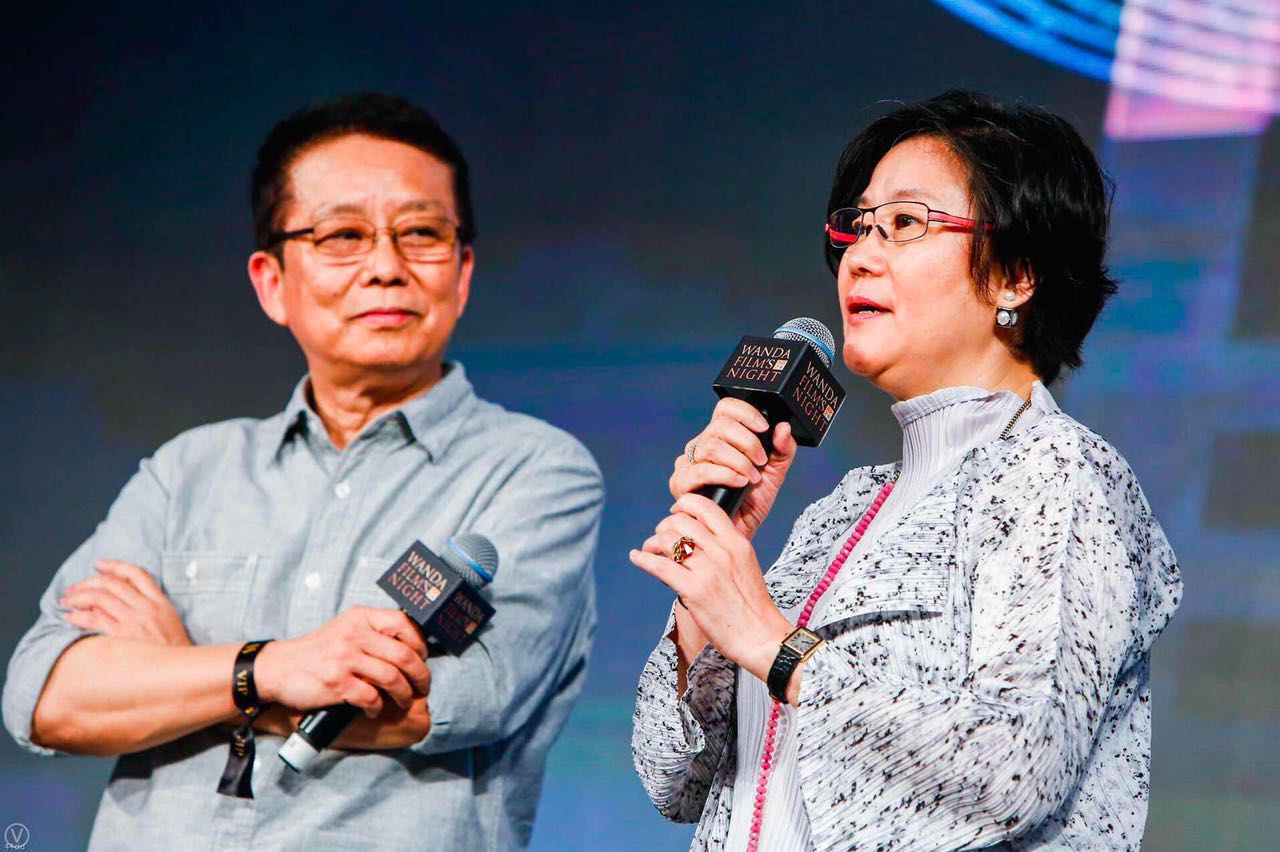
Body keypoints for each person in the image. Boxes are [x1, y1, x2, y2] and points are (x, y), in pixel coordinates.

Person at [3, 93, 603, 851]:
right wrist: (271, 669)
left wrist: (179, 672)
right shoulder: (186, 472)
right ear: (271, 282)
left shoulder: (535, 471)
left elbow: (459, 701)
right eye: (342, 235)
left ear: (462, 272)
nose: (385, 268)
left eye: (421, 234)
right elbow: (47, 696)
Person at [630, 90, 1181, 851]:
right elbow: (674, 781)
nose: (860, 254)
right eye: (858, 226)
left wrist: (774, 644)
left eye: (905, 223)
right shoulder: (845, 509)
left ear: (1016, 275)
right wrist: (709, 580)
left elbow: (1015, 768)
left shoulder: (1062, 474)